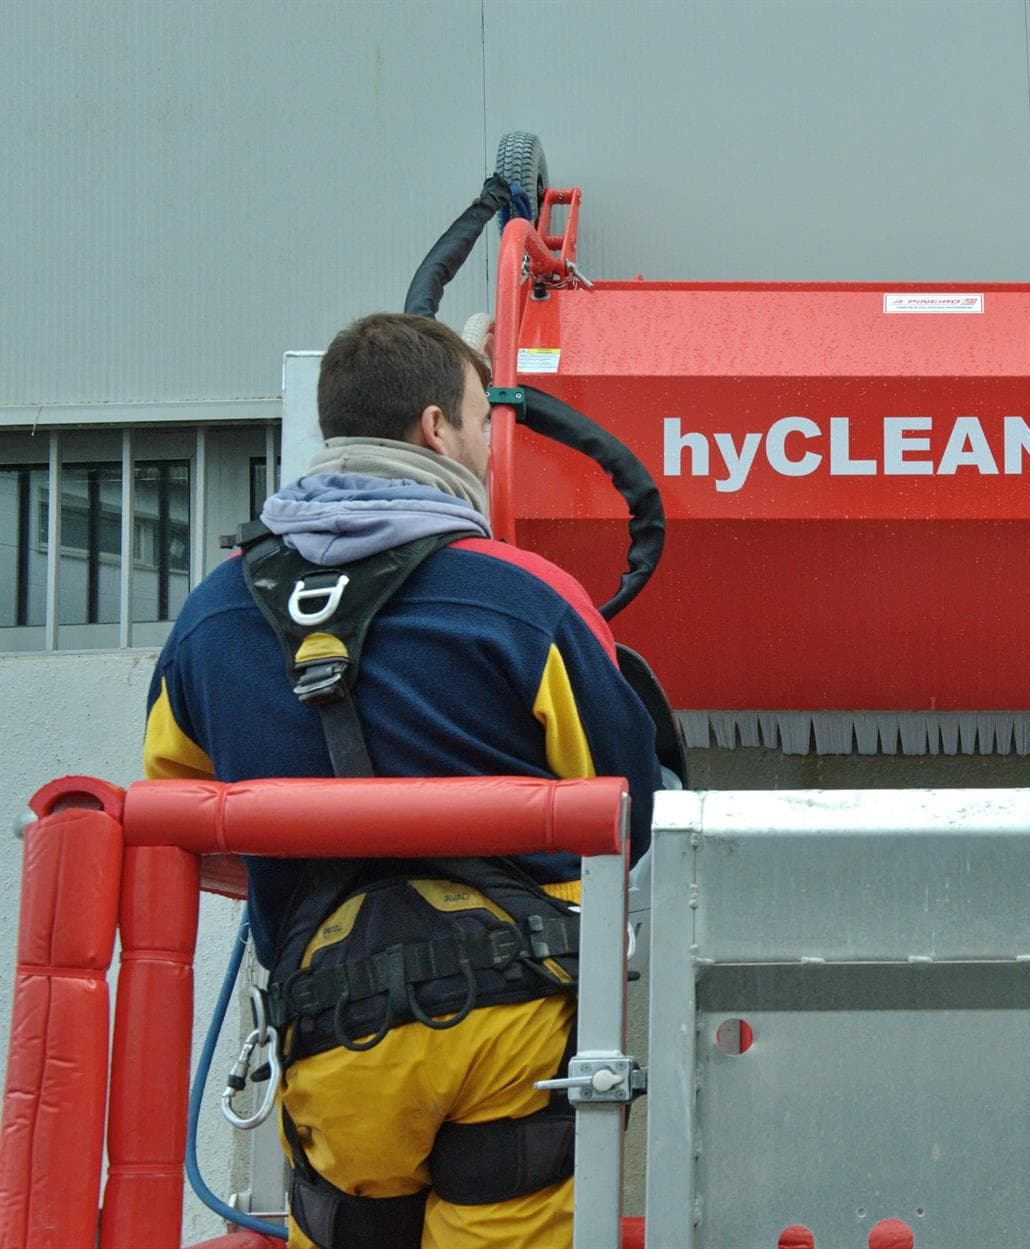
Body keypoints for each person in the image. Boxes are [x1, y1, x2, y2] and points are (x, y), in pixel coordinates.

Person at [143, 312, 661, 1249]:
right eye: (477, 423)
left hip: (330, 1029)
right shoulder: (523, 597)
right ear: (435, 429)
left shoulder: (212, 617)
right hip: (513, 1030)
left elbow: (179, 814)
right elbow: (633, 805)